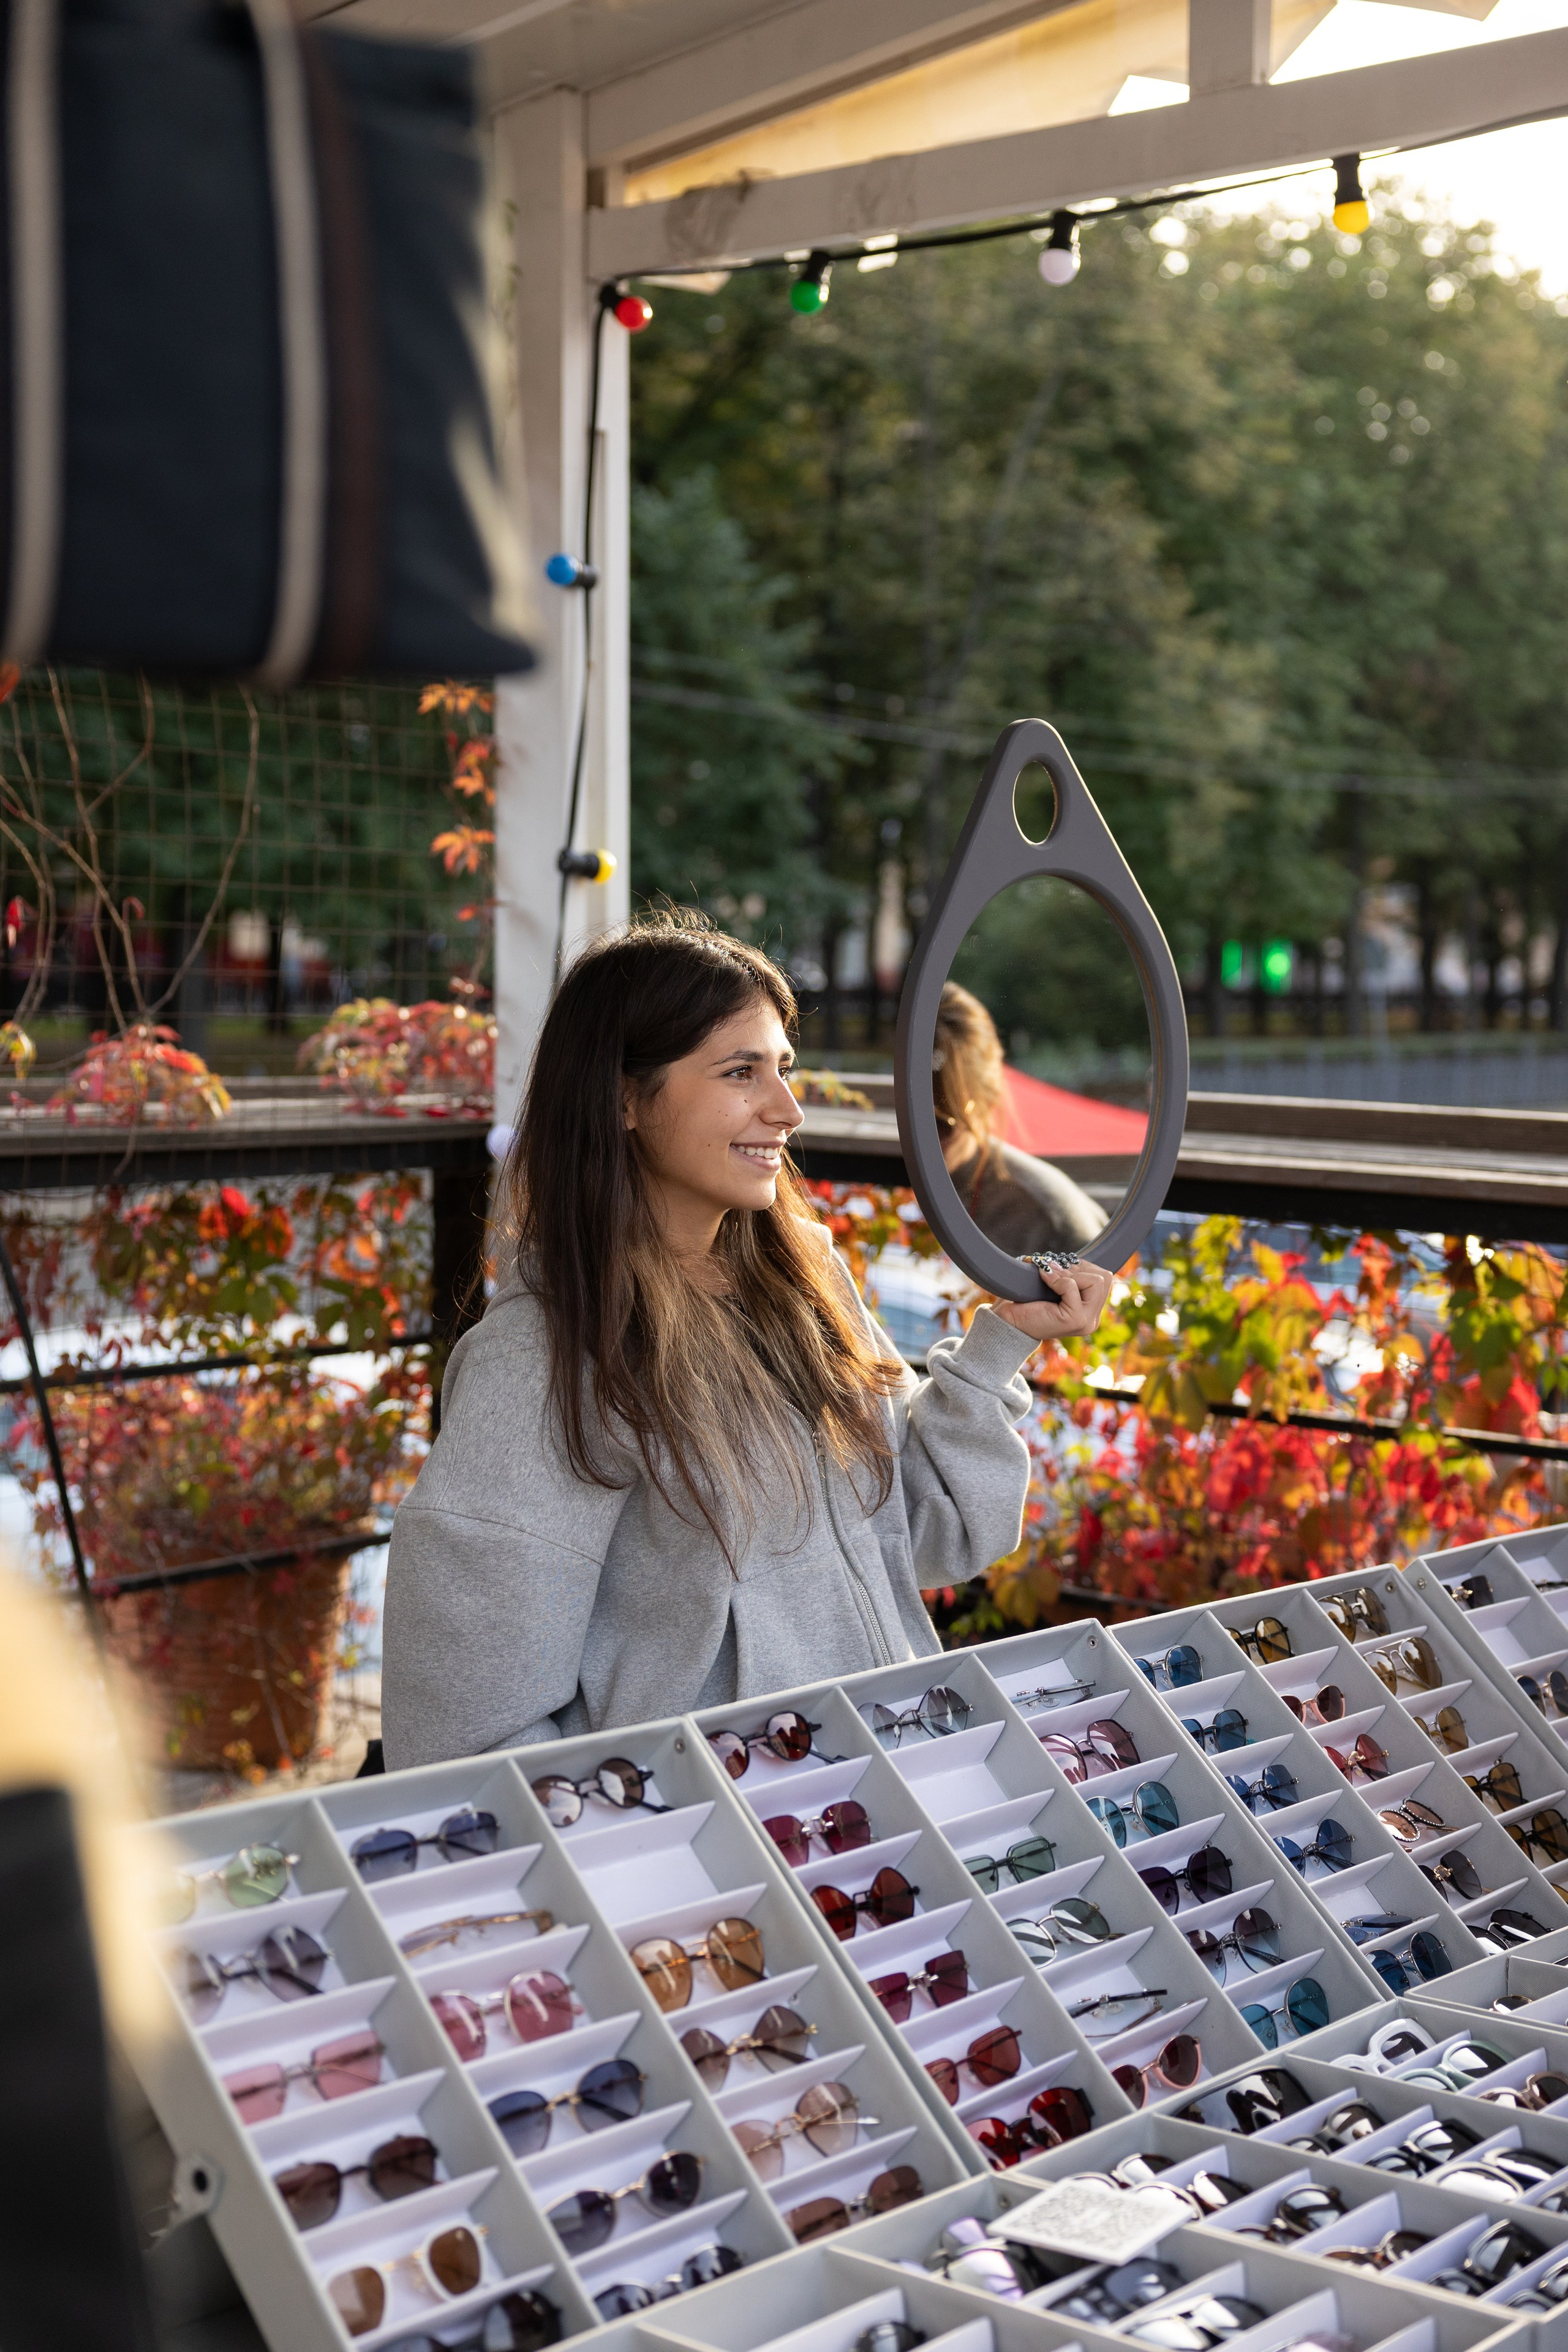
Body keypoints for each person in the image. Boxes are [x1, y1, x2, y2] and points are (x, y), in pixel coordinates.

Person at [382, 913, 1110, 1765]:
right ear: (622, 1096)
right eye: (741, 1073)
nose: (788, 1109)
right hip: (716, 1854)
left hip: (888, 1793)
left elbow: (927, 1532)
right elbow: (461, 1727)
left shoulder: (804, 1278)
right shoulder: (543, 1355)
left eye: (785, 1070)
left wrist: (996, 1353)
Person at [934, 980, 1107, 1257]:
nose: (927, 1141)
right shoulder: (888, 1186)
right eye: (910, 1119)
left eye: (945, 1123)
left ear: (987, 1097)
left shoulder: (1051, 1221)